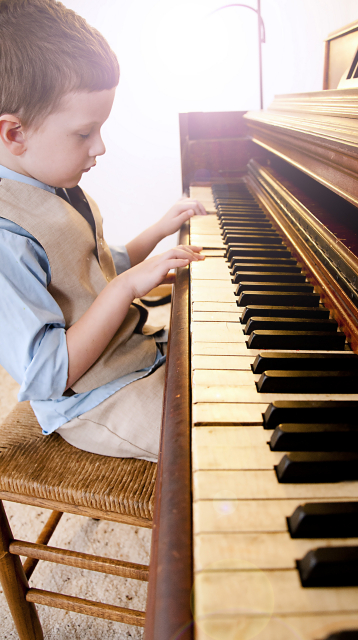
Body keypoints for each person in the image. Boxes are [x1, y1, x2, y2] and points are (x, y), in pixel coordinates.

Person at [0, 0, 206, 462]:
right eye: (83, 133)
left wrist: (157, 231)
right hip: (97, 400)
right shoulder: (5, 237)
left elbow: (97, 265)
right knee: (218, 439)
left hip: (133, 356)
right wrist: (127, 287)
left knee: (226, 367)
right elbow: (48, 373)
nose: (101, 147)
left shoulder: (54, 185)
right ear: (15, 133)